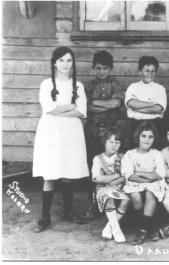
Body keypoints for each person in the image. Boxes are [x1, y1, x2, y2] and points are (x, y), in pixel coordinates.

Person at [32, 46, 89, 232]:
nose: (65, 64)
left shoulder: (78, 85)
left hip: (71, 132)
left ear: (73, 63)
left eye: (69, 60)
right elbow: (49, 108)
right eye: (62, 60)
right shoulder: (47, 84)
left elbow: (81, 111)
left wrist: (61, 109)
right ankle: (45, 217)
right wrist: (69, 106)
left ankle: (68, 212)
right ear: (54, 63)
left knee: (68, 173)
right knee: (50, 173)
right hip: (51, 132)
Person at [84, 50, 127, 220]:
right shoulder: (88, 86)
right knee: (93, 167)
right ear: (93, 68)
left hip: (111, 131)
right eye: (99, 68)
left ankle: (112, 200)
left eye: (105, 68)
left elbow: (117, 103)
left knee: (112, 166)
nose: (102, 71)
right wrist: (107, 105)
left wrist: (96, 103)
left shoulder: (116, 85)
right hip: (93, 130)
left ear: (111, 68)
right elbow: (86, 108)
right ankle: (93, 204)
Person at [121, 122, 166, 244]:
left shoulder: (156, 154)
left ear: (154, 138)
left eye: (150, 136)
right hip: (135, 183)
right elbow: (129, 175)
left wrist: (139, 173)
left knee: (150, 194)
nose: (147, 139)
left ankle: (142, 230)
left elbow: (159, 174)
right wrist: (148, 177)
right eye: (144, 136)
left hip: (154, 184)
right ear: (138, 137)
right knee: (135, 195)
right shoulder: (130, 154)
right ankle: (150, 227)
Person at [91, 128, 130, 243]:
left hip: (120, 187)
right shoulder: (98, 159)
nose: (114, 145)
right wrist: (116, 175)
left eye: (117, 142)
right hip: (102, 189)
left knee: (127, 199)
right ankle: (117, 230)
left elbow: (126, 176)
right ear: (105, 142)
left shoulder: (123, 157)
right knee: (109, 197)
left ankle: (109, 227)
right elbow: (97, 178)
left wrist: (115, 180)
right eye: (111, 142)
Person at [125, 56, 167, 150]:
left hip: (155, 125)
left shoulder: (160, 88)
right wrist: (150, 104)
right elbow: (131, 103)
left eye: (153, 71)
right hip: (135, 125)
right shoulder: (133, 87)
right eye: (147, 71)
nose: (150, 74)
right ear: (140, 71)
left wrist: (137, 107)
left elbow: (158, 109)